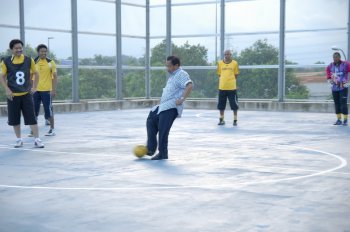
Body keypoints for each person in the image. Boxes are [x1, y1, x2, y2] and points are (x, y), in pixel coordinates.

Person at [146, 55, 193, 160]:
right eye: (166, 66)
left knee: (163, 129)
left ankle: (163, 153)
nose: (167, 68)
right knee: (151, 119)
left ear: (176, 65)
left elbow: (189, 85)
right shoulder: (173, 75)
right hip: (164, 106)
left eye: (169, 66)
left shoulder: (181, 74)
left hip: (171, 107)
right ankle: (150, 148)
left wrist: (181, 99)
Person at [0, 39, 44, 148]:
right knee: (15, 119)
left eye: (20, 48)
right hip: (13, 96)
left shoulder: (29, 60)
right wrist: (7, 89)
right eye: (16, 48)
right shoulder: (6, 61)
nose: (19, 50)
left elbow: (36, 74)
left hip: (26, 94)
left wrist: (34, 87)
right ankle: (19, 139)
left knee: (32, 118)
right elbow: (1, 76)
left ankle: (37, 139)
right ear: (12, 49)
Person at [28, 44, 57, 136]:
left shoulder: (50, 62)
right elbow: (30, 76)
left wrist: (53, 90)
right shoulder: (33, 62)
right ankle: (33, 131)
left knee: (48, 111)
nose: (44, 53)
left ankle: (52, 129)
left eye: (45, 51)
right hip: (35, 91)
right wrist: (31, 88)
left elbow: (55, 77)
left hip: (46, 91)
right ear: (38, 52)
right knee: (34, 112)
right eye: (42, 51)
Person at [216, 49, 240, 126]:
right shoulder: (220, 63)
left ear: (231, 55)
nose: (227, 56)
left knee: (234, 105)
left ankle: (235, 119)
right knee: (221, 105)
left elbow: (236, 74)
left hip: (232, 88)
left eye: (228, 54)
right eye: (225, 54)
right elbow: (219, 74)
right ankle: (221, 119)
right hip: (222, 87)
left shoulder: (235, 63)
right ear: (224, 55)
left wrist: (231, 81)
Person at [326, 52, 349, 126]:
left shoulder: (346, 64)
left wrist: (348, 82)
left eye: (336, 57)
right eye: (334, 57)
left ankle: (345, 120)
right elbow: (328, 74)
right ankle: (339, 119)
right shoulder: (330, 66)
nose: (335, 58)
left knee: (343, 104)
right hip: (334, 88)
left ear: (339, 57)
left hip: (343, 87)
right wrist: (329, 80)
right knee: (337, 104)